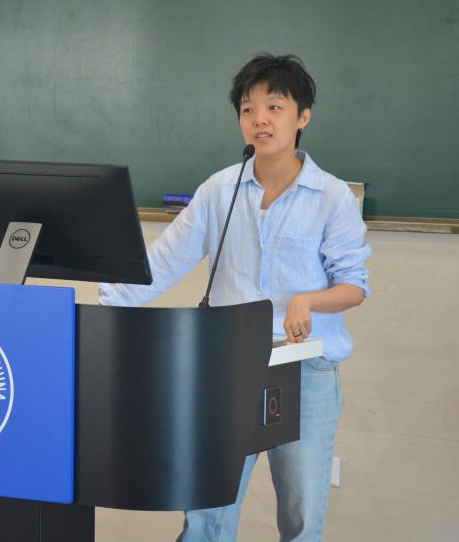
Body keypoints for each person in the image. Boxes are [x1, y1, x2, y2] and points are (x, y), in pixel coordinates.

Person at [99, 53, 371, 541]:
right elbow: (161, 264)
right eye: (248, 109)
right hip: (228, 364)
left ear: (303, 117)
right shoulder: (219, 190)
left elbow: (354, 285)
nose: (259, 119)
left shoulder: (332, 197)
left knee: (301, 516)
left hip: (304, 369)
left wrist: (309, 301)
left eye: (274, 107)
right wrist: (102, 307)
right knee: (207, 512)